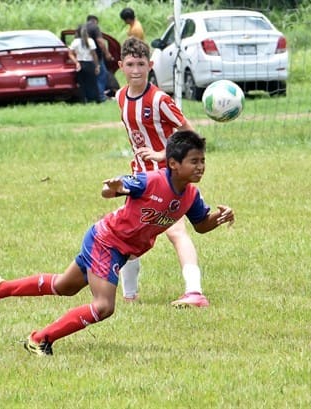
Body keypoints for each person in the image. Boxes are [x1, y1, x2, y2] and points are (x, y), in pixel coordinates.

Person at [0, 130, 235, 356]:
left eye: (202, 160)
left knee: (63, 286)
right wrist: (114, 187)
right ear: (173, 164)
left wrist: (219, 218)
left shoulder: (190, 195)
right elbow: (109, 191)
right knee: (104, 306)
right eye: (194, 161)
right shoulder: (150, 181)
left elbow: (201, 226)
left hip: (116, 246)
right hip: (107, 242)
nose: (200, 166)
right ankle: (40, 338)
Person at [115, 37, 209, 308]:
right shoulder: (121, 97)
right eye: (130, 64)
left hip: (167, 177)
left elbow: (190, 134)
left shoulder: (159, 100)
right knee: (128, 235)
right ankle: (130, 295)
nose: (135, 70)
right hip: (140, 179)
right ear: (121, 66)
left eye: (141, 64)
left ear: (150, 65)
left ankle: (194, 292)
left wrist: (163, 156)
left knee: (176, 231)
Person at [69, 25, 101, 103]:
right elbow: (94, 55)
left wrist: (76, 62)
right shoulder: (90, 41)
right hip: (89, 64)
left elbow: (70, 53)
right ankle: (95, 99)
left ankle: (83, 100)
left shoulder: (75, 42)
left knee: (81, 83)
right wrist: (97, 66)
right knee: (92, 83)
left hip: (80, 64)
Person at [86, 15, 114, 102]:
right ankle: (100, 96)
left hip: (84, 57)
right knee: (102, 75)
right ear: (95, 21)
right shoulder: (95, 27)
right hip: (96, 56)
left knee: (89, 78)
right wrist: (107, 53)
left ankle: (90, 97)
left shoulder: (82, 28)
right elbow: (100, 42)